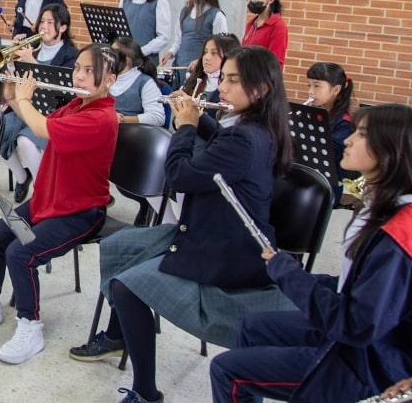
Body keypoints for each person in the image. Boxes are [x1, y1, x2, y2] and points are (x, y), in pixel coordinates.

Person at [208, 104, 412, 403]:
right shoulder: (394, 210)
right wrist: (291, 272)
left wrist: (289, 275)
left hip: (372, 366)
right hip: (360, 341)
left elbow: (354, 324)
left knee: (226, 370)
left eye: (362, 134)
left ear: (391, 152)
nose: (348, 140)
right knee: (254, 326)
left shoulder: (400, 237)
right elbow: (356, 285)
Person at [84, 46, 294, 403]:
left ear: (259, 90)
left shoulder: (246, 138)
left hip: (225, 250)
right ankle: (119, 335)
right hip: (206, 231)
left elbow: (179, 175)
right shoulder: (253, 126)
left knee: (126, 286)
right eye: (223, 77)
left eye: (232, 80)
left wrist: (184, 127)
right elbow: (219, 148)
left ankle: (144, 391)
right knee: (119, 247)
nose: (222, 87)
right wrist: (199, 116)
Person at [0, 44, 123, 365]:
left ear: (109, 79)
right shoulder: (75, 106)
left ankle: (30, 325)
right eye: (78, 69)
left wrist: (25, 99)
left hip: (80, 211)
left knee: (21, 254)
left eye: (89, 71)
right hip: (47, 201)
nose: (80, 77)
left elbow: (42, 128)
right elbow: (39, 120)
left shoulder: (102, 117)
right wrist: (14, 96)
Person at [1, 4, 81, 203]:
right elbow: (17, 77)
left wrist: (31, 63)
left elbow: (61, 89)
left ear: (62, 27)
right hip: (23, 104)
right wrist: (12, 63)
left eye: (50, 23)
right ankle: (22, 177)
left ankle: (42, 191)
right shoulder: (32, 48)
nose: (43, 27)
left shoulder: (71, 55)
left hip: (50, 112)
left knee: (25, 141)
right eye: (42, 22)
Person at [161, 0, 228, 84]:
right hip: (180, 68)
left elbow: (221, 48)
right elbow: (178, 40)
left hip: (200, 73)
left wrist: (200, 61)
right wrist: (170, 53)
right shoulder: (184, 12)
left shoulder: (216, 15)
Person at [306, 62, 357, 203]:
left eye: (317, 86)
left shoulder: (345, 122)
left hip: (328, 186)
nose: (311, 91)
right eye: (309, 85)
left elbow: (332, 152)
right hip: (311, 178)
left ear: (335, 90)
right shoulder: (317, 113)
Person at [119, 0, 172, 64]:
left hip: (146, 61)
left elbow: (164, 37)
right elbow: (119, 28)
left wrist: (141, 51)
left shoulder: (159, 2)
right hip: (125, 60)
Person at [109, 37, 165, 126]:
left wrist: (121, 119)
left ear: (128, 59)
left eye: (114, 54)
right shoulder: (105, 79)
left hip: (133, 136)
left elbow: (157, 117)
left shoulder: (145, 82)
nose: (109, 58)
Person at [180, 33, 241, 103]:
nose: (206, 57)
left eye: (214, 53)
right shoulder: (193, 81)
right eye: (205, 52)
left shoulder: (233, 90)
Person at [241, 0, 289, 66]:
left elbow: (275, 62)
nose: (252, 1)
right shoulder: (251, 24)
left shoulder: (278, 26)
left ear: (270, 0)